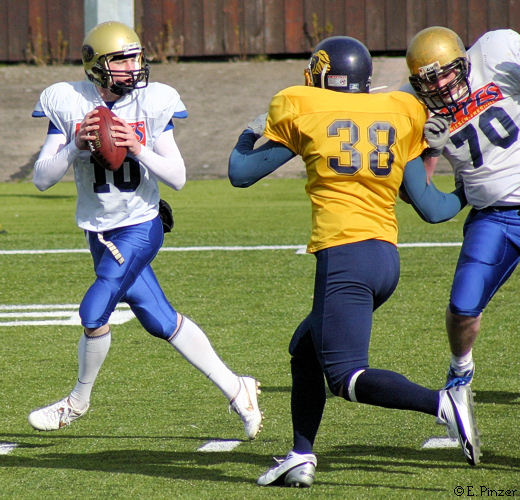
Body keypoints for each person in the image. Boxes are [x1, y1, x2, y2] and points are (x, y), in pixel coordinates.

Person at [228, 35, 479, 487]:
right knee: (305, 351)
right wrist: (467, 187)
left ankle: (444, 404)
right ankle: (300, 455)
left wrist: (251, 131)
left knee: (345, 376)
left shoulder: (303, 106)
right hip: (384, 260)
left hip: (344, 256)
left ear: (323, 75)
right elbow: (433, 209)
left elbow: (240, 173)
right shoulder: (399, 111)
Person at [28, 21, 263, 440]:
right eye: (122, 59)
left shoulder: (153, 101)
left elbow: (178, 177)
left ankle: (78, 401)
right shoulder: (67, 100)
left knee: (93, 311)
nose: (133, 66)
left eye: (136, 57)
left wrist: (137, 147)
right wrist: (76, 145)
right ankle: (237, 388)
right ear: (96, 65)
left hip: (140, 225)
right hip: (99, 231)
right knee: (159, 320)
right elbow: (42, 179)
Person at [406, 26, 520, 390]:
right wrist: (431, 149)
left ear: (464, 62)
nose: (440, 86)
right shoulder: (412, 106)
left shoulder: (496, 50)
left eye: (445, 74)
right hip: (495, 216)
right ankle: (460, 371)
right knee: (462, 308)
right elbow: (417, 195)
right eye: (429, 81)